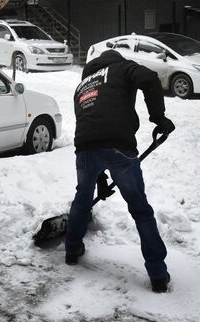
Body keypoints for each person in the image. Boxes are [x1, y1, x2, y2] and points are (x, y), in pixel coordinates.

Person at [64, 49, 175, 293]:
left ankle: (71, 250)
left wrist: (99, 175)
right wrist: (159, 117)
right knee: (140, 209)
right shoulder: (123, 68)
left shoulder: (82, 85)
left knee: (82, 201)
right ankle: (157, 273)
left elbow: (92, 124)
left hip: (84, 149)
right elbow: (150, 79)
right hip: (119, 147)